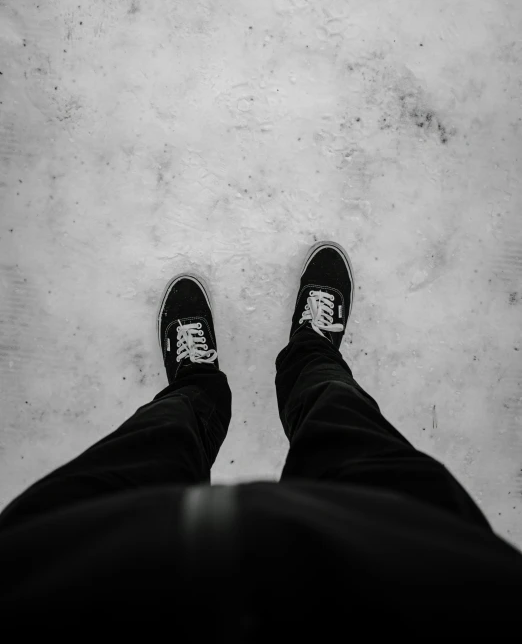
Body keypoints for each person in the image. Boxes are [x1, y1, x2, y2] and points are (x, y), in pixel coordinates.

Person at [0, 240, 521, 637]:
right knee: (357, 441)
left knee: (144, 452)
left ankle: (195, 384)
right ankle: (311, 353)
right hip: (416, 584)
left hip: (65, 577)